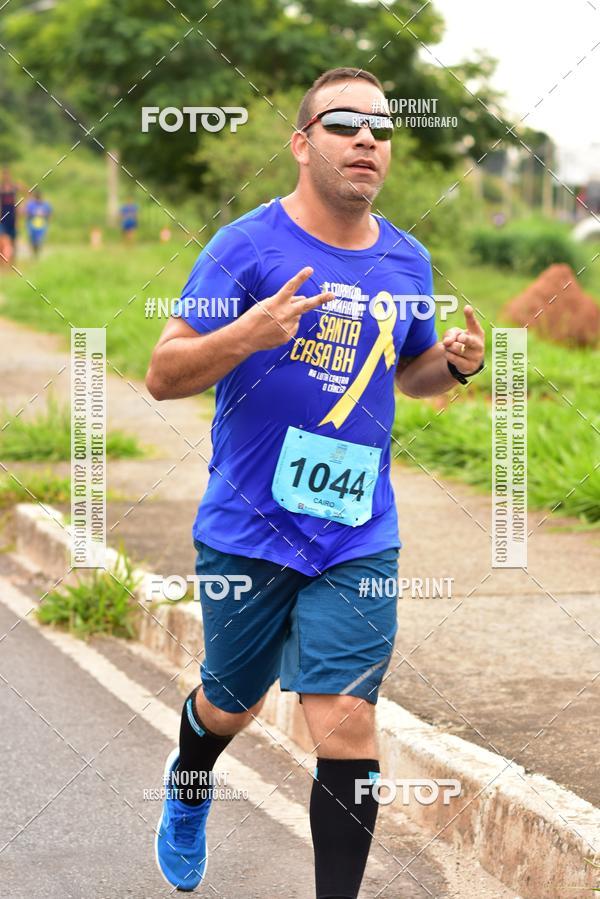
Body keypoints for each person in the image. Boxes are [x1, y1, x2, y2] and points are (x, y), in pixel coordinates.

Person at [146, 66, 485, 897]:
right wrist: (248, 334)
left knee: (345, 720)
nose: (368, 138)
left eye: (380, 128)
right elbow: (163, 374)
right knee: (231, 702)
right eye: (343, 124)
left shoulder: (409, 259)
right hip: (248, 525)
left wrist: (453, 365)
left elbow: (411, 377)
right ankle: (189, 788)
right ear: (302, 145)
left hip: (356, 530)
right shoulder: (247, 247)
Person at [0, 168, 20, 266]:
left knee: (13, 240)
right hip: (3, 217)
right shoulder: (1, 188)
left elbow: (27, 192)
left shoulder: (14, 187)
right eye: (4, 175)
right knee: (4, 239)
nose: (6, 177)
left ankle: (13, 261)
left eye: (7, 175)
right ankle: (4, 262)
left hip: (13, 217)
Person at [25, 189, 52, 257]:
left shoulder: (46, 204)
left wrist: (45, 216)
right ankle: (34, 254)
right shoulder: (31, 204)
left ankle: (37, 254)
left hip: (42, 226)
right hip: (32, 226)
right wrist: (34, 214)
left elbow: (49, 214)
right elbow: (27, 214)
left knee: (39, 241)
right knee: (33, 241)